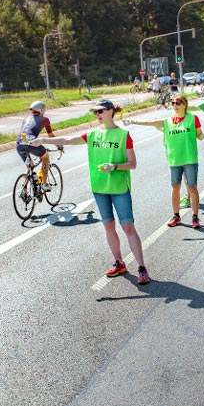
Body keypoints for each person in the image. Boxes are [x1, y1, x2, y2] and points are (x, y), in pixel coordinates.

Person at [44, 99, 150, 284]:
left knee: (127, 227)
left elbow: (133, 164)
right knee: (108, 226)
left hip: (119, 188)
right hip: (99, 189)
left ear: (110, 111)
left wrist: (114, 166)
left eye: (100, 111)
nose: (97, 115)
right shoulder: (93, 134)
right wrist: (43, 140)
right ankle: (119, 263)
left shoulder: (124, 135)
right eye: (95, 112)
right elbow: (67, 140)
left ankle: (141, 268)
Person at [125, 93, 204, 229]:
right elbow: (150, 122)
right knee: (175, 187)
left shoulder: (193, 118)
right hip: (174, 160)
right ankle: (176, 216)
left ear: (184, 104)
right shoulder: (168, 122)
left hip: (190, 159)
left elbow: (199, 135)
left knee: (192, 187)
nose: (174, 105)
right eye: (173, 103)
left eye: (178, 102)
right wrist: (133, 122)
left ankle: (195, 217)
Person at [16, 101, 58, 188]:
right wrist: (58, 145)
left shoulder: (26, 118)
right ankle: (44, 184)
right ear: (41, 110)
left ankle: (24, 188)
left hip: (19, 143)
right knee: (45, 156)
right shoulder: (45, 120)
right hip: (30, 142)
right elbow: (50, 135)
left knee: (29, 167)